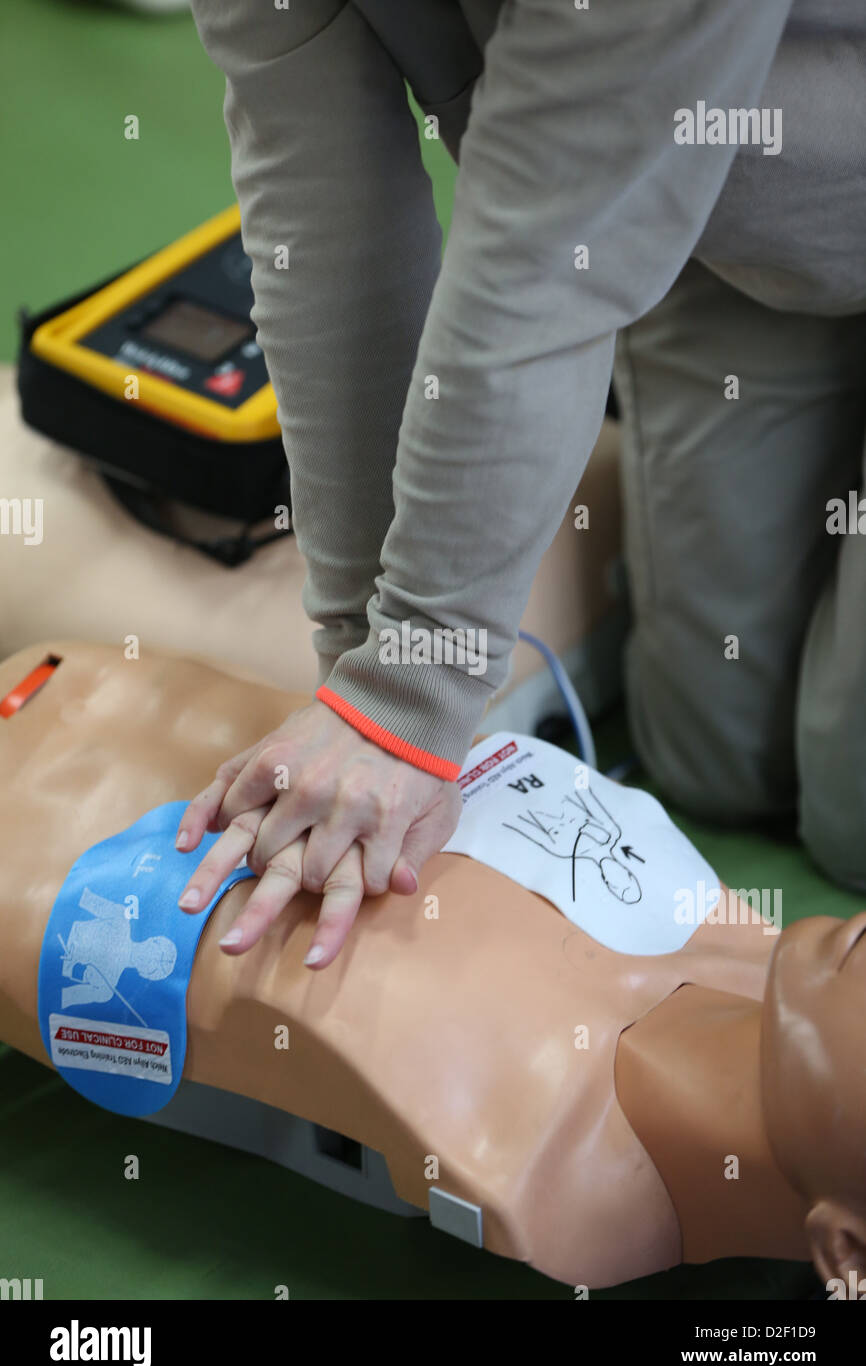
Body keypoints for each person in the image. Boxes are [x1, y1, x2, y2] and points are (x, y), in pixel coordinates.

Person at [181, 0, 866, 968]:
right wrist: (361, 675)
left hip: (640, 183)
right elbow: (320, 200)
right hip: (702, 206)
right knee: (712, 767)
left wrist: (413, 693)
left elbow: (539, 264)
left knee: (851, 819)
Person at [2, 639, 864, 1290]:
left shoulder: (536, 1164)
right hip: (96, 686)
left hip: (45, 869)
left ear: (845, 1248)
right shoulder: (743, 944)